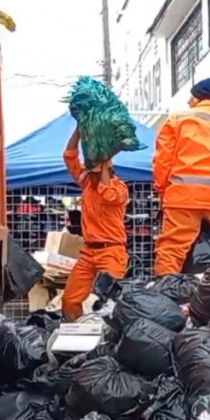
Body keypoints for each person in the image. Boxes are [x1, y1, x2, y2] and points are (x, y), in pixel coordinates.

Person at [153, 78, 210, 275]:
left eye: (191, 96)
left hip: (184, 196)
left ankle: (165, 295)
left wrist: (163, 189)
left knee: (172, 249)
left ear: (198, 98)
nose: (188, 101)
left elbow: (163, 161)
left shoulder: (177, 120)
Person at [61, 129, 129, 321]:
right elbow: (69, 156)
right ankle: (76, 335)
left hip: (112, 252)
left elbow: (109, 194)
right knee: (70, 300)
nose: (87, 174)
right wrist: (78, 130)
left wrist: (104, 164)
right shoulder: (88, 184)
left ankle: (108, 342)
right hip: (88, 253)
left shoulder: (120, 189)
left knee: (109, 301)